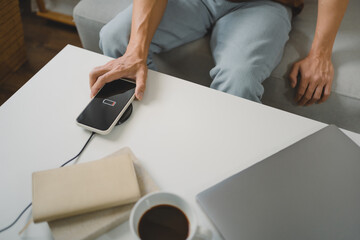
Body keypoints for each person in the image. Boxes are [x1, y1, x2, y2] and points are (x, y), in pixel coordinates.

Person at [89, 0, 348, 106]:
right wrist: (135, 51)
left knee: (240, 79)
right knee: (116, 38)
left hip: (264, 5)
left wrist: (320, 55)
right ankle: (154, 129)